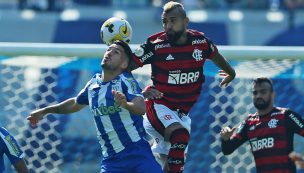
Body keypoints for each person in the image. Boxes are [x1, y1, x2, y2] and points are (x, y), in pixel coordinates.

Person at [129, 1, 236, 172]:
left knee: (171, 167)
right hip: (158, 107)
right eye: (165, 21)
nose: (168, 26)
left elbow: (215, 55)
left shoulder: (200, 42)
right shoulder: (156, 45)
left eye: (173, 20)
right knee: (180, 136)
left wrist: (231, 72)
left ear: (185, 21)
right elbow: (127, 67)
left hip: (182, 116)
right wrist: (140, 92)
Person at [27, 40, 163, 173]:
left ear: (124, 64)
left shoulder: (126, 80)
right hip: (111, 159)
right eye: (108, 50)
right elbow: (75, 103)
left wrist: (125, 104)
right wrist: (45, 111)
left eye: (116, 52)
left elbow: (141, 107)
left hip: (137, 154)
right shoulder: (93, 84)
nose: (109, 53)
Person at [220, 77, 304, 173]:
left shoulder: (286, 115)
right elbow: (227, 150)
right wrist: (225, 139)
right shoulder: (248, 123)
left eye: (263, 92)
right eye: (255, 93)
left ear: (273, 94)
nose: (258, 96)